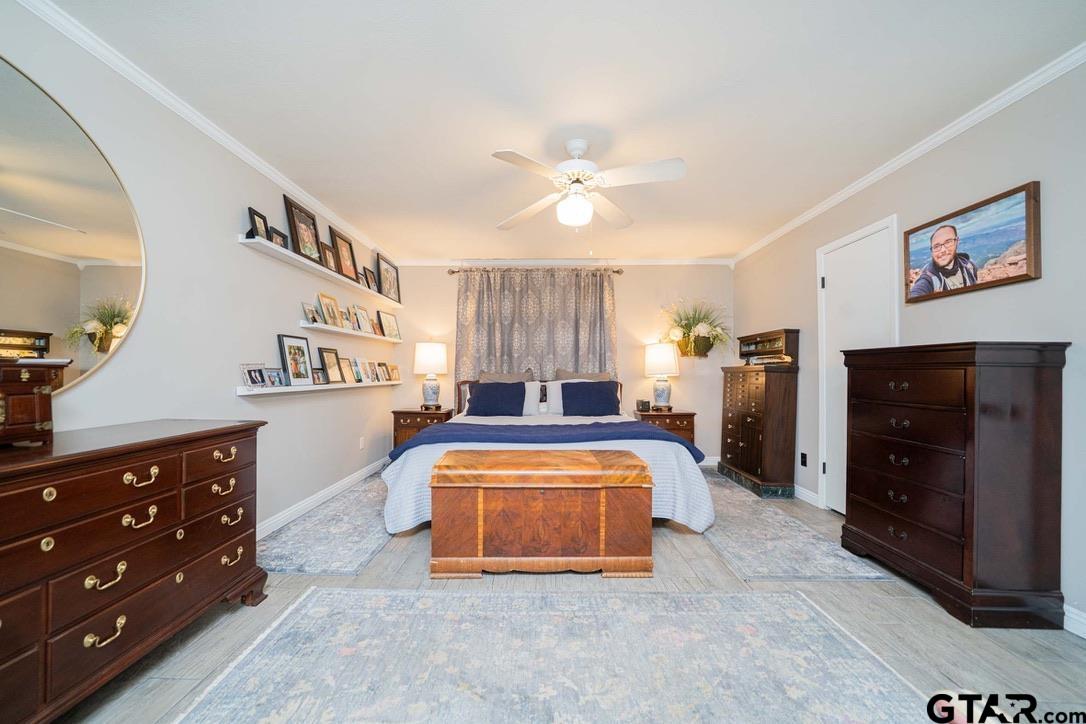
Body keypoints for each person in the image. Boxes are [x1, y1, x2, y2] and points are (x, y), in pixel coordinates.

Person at [909, 224, 977, 297]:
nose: (943, 250)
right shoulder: (929, 278)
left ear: (957, 241)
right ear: (932, 251)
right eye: (936, 246)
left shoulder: (970, 267)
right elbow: (917, 292)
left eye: (948, 242)